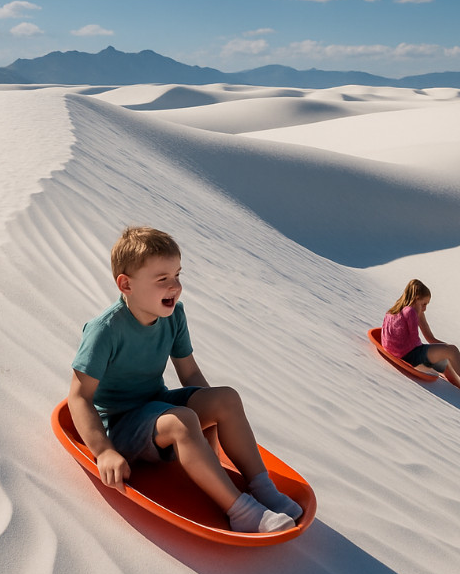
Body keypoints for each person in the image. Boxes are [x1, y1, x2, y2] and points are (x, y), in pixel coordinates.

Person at [69, 226, 302, 534]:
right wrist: (104, 451)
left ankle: (262, 488)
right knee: (181, 421)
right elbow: (79, 397)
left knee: (226, 397)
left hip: (154, 405)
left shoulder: (174, 315)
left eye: (177, 275)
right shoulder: (105, 330)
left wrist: (211, 424)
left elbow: (189, 373)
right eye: (162, 279)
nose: (174, 286)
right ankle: (240, 510)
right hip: (120, 424)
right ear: (126, 284)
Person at [381, 279, 460, 401]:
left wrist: (445, 349)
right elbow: (416, 341)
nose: (425, 308)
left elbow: (428, 338)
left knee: (446, 359)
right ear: (416, 298)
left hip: (396, 352)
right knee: (451, 351)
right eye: (424, 304)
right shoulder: (411, 311)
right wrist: (449, 351)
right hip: (409, 355)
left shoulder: (393, 310)